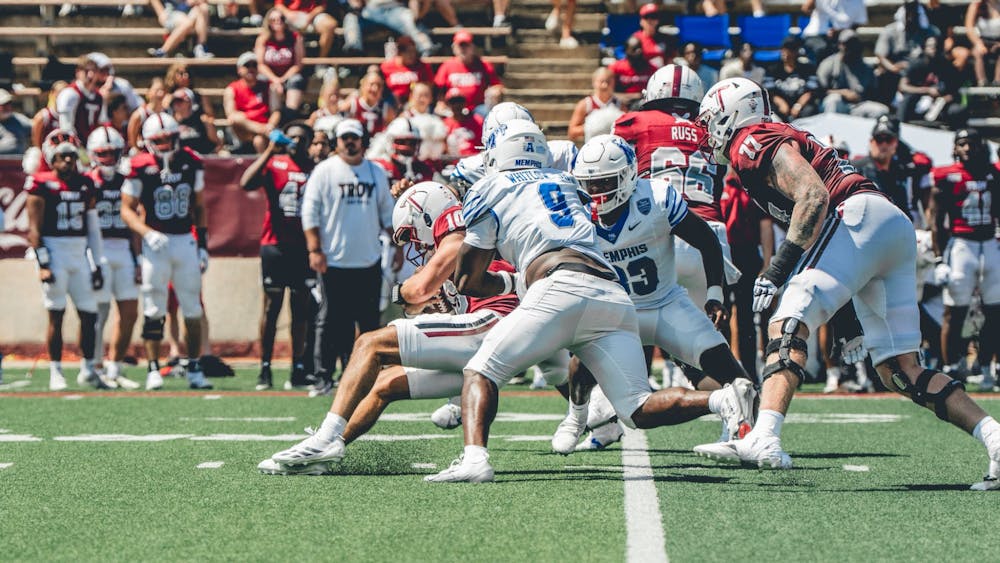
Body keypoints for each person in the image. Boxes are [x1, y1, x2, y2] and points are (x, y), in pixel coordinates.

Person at [693, 78, 1000, 492]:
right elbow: (836, 254)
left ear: (733, 114)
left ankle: (763, 436)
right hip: (883, 226)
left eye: (711, 120)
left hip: (854, 217)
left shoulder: (751, 140)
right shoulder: (776, 134)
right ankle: (996, 439)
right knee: (900, 370)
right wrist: (848, 320)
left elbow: (815, 197)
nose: (708, 131)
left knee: (788, 322)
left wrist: (776, 270)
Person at [419, 120, 753, 482]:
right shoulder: (564, 182)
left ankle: (474, 460)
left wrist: (466, 279)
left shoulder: (490, 187)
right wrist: (512, 279)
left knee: (481, 370)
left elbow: (468, 280)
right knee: (636, 407)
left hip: (564, 287)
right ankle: (721, 400)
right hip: (612, 294)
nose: (598, 191)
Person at [261, 182, 566, 474]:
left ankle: (324, 438)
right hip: (492, 342)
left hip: (494, 326)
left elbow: (419, 289)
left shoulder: (457, 224)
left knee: (370, 343)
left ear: (427, 215)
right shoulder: (461, 241)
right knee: (385, 383)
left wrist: (403, 293)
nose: (415, 245)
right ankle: (329, 448)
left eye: (411, 233)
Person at [554, 134, 757, 453]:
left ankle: (745, 432)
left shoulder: (657, 198)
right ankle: (576, 418)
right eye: (589, 184)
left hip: (666, 305)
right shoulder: (577, 212)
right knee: (580, 364)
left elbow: (706, 240)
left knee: (737, 378)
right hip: (618, 314)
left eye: (604, 182)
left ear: (627, 176)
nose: (596, 192)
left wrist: (714, 293)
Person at [300, 119, 397, 396]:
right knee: (330, 321)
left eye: (354, 138)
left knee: (368, 323)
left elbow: (387, 213)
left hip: (368, 260)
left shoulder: (375, 172)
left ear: (362, 141)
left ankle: (363, 376)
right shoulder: (324, 171)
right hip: (333, 261)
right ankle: (323, 376)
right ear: (337, 142)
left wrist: (398, 247)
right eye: (345, 138)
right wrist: (315, 250)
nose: (350, 143)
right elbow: (310, 212)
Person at [120, 112, 213, 391]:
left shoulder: (191, 161)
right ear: (148, 141)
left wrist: (202, 245)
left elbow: (199, 206)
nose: (164, 145)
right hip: (156, 243)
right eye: (158, 140)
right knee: (153, 308)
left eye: (168, 139)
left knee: (192, 308)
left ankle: (194, 367)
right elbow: (126, 209)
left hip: (185, 240)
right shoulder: (139, 165)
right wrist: (147, 232)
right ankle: (152, 368)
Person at [240, 122, 320, 391]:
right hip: (275, 245)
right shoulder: (275, 163)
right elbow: (246, 183)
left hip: (303, 247)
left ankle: (298, 367)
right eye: (292, 137)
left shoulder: (316, 169)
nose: (296, 141)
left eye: (302, 138)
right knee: (271, 308)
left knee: (301, 309)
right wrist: (269, 152)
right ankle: (265, 367)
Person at [26, 130, 107, 391]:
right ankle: (56, 372)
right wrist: (44, 264)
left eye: (72, 156)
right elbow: (34, 230)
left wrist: (97, 263)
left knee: (89, 314)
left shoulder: (86, 183)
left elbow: (92, 228)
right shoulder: (41, 183)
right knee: (56, 315)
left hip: (79, 253)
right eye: (63, 156)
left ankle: (88, 369)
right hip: (55, 252)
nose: (69, 161)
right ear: (52, 158)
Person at [929, 129, 999, 389]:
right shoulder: (946, 176)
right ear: (955, 148)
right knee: (954, 310)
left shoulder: (994, 173)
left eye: (972, 143)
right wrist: (939, 259)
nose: (968, 148)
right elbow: (936, 221)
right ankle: (950, 367)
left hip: (990, 243)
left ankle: (986, 366)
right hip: (961, 246)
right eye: (962, 143)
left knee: (995, 311)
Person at [85, 126, 142, 390]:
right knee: (99, 311)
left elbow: (135, 221)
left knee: (129, 312)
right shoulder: (87, 182)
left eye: (112, 153)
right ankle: (94, 366)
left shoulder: (127, 181)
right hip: (98, 249)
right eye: (103, 153)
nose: (108, 159)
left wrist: (139, 259)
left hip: (124, 248)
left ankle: (115, 367)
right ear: (92, 154)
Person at [852, 116, 920, 221]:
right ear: (871, 142)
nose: (884, 144)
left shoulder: (900, 173)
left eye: (888, 140)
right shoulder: (855, 169)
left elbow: (905, 212)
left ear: (896, 143)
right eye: (879, 139)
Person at [874, 0, 940, 105]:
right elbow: (880, 55)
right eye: (908, 15)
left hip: (919, 74)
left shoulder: (929, 32)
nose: (910, 18)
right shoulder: (890, 31)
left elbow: (934, 51)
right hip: (896, 73)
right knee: (881, 74)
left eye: (914, 15)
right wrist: (893, 67)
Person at [816, 29, 890, 118]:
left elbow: (872, 93)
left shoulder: (866, 67)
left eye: (852, 44)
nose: (849, 47)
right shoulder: (828, 63)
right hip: (836, 104)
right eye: (845, 44)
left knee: (881, 110)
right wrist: (843, 93)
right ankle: (831, 127)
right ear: (839, 44)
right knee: (834, 100)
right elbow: (819, 91)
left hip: (857, 106)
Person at [897, 36, 967, 127]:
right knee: (908, 99)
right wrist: (927, 90)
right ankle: (900, 126)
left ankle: (955, 133)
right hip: (917, 99)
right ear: (924, 48)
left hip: (939, 103)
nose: (934, 49)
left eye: (937, 46)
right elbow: (903, 86)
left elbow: (953, 91)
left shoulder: (948, 67)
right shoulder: (916, 64)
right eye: (930, 46)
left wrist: (946, 98)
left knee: (958, 110)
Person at [434, 31, 503, 115]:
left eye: (466, 45)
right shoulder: (447, 66)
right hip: (453, 108)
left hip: (477, 108)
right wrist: (440, 102)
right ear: (454, 48)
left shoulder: (483, 65)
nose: (463, 49)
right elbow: (439, 89)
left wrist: (494, 91)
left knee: (488, 113)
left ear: (472, 47)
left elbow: (497, 85)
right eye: (460, 46)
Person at [224, 52, 281, 153]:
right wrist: (261, 129)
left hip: (266, 128)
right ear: (239, 69)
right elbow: (231, 115)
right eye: (247, 65)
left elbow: (276, 111)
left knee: (259, 141)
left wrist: (270, 125)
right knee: (236, 118)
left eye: (254, 65)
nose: (251, 68)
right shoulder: (232, 89)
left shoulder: (269, 87)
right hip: (245, 130)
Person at [342, 0, 436, 57]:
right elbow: (355, 4)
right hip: (370, 11)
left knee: (409, 18)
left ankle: (427, 48)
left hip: (395, 9)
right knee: (351, 17)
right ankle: (354, 49)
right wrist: (356, 7)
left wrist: (416, 15)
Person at [255, 9, 307, 112]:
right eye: (273, 20)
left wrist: (282, 79)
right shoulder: (263, 39)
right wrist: (275, 80)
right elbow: (260, 65)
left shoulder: (295, 37)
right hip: (270, 75)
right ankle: (270, 114)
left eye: (281, 19)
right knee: (262, 80)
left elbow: (298, 64)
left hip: (289, 75)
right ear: (268, 22)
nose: (277, 22)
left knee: (296, 80)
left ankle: (290, 112)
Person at [763, 36, 819, 122]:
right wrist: (781, 103)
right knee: (771, 112)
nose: (785, 52)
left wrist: (798, 105)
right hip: (780, 106)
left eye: (789, 49)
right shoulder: (772, 69)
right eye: (783, 49)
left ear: (796, 51)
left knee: (810, 110)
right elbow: (769, 92)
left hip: (801, 107)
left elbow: (810, 91)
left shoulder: (808, 69)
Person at [800, 0, 868, 63]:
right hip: (816, 35)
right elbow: (806, 8)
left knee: (852, 49)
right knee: (822, 49)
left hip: (841, 37)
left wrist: (840, 32)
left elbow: (857, 24)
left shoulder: (857, 2)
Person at [56, 55, 104, 143]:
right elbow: (66, 129)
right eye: (86, 71)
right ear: (78, 72)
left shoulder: (99, 97)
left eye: (94, 71)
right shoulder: (69, 94)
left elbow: (101, 125)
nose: (90, 75)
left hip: (93, 145)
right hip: (72, 145)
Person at [273, 0, 338, 63]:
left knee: (330, 25)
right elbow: (278, 4)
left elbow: (322, 5)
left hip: (312, 15)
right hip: (290, 15)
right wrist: (288, 13)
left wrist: (310, 16)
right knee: (276, 23)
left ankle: (321, 62)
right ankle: (283, 62)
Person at [147, 0, 215, 59]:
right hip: (174, 14)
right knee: (187, 22)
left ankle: (200, 47)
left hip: (190, 15)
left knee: (203, 7)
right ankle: (163, 51)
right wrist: (161, 14)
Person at [568, 68, 620, 143]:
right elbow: (572, 132)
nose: (605, 85)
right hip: (592, 146)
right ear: (594, 82)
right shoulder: (585, 104)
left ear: (613, 83)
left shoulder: (620, 105)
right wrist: (593, 127)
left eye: (608, 82)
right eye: (601, 81)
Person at [340, 69, 396, 137]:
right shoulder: (353, 104)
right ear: (363, 85)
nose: (375, 89)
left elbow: (393, 128)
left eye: (379, 85)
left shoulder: (386, 108)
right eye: (371, 84)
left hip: (377, 141)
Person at [380, 35, 434, 106]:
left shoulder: (423, 67)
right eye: (408, 52)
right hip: (392, 103)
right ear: (400, 53)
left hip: (416, 103)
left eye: (414, 52)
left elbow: (429, 87)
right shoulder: (387, 67)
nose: (412, 55)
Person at [170, 87, 222, 155]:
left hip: (203, 156)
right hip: (183, 157)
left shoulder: (202, 118)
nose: (176, 104)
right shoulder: (171, 121)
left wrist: (209, 125)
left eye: (179, 101)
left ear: (189, 101)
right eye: (174, 101)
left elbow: (216, 142)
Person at [127, 78, 168, 152]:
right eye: (157, 90)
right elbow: (132, 140)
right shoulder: (140, 114)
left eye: (163, 90)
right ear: (149, 92)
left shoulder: (168, 112)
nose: (160, 93)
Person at [442, 88, 483, 157]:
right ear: (448, 104)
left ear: (465, 103)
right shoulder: (444, 124)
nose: (457, 105)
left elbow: (483, 144)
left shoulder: (477, 121)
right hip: (453, 160)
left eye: (459, 101)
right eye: (453, 102)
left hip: (474, 159)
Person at [967, 0, 1000, 86]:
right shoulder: (977, 5)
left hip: (998, 40)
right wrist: (978, 43)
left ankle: (997, 82)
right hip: (982, 40)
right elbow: (969, 27)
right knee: (977, 52)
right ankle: (982, 82)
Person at [0, 89, 31, 155]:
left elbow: (37, 129)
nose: (7, 107)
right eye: (3, 104)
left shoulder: (20, 120)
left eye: (9, 103)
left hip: (20, 160)